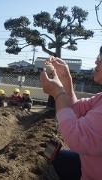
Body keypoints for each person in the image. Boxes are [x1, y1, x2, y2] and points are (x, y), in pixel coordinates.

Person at [40, 49, 102, 180]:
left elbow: (77, 137)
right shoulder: (100, 98)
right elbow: (76, 109)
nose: (96, 60)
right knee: (57, 157)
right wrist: (65, 79)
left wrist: (58, 94)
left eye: (101, 57)